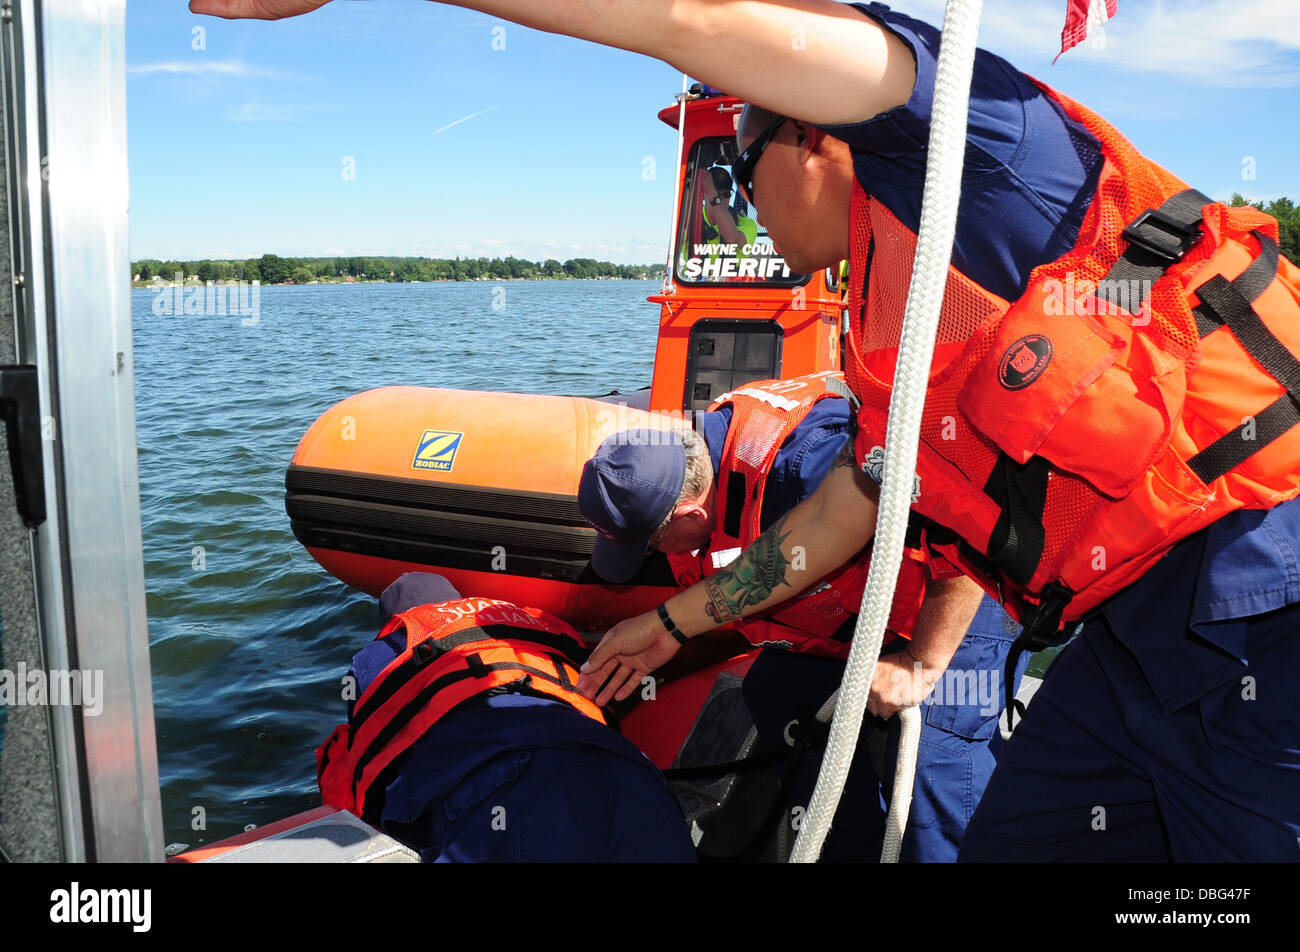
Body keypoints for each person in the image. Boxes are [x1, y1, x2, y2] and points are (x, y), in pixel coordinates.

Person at [199, 0, 1300, 861]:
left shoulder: (993, 160)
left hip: (1267, 605)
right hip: (1134, 646)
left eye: (736, 165)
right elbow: (851, 501)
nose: (738, 202)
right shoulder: (889, 322)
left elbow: (688, 17)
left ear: (811, 135)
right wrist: (672, 624)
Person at [578, 373, 1026, 861]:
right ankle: (846, 844)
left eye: (651, 547)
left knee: (929, 760)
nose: (655, 558)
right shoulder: (703, 454)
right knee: (776, 696)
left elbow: (968, 522)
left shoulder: (806, 464)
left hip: (961, 598)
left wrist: (922, 660)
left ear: (689, 516)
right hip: (857, 623)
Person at [316, 571, 696, 862]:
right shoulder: (525, 625)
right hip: (631, 775)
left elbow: (353, 772)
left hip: (511, 796)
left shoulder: (383, 656)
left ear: (392, 625)